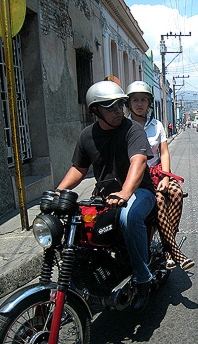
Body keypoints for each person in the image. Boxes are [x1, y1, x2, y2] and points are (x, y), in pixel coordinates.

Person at [56, 80, 156, 312]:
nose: (118, 111)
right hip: (106, 196)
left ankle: (142, 279)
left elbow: (138, 161)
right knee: (79, 226)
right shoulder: (87, 136)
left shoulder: (133, 129)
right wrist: (58, 193)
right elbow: (78, 169)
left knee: (127, 217)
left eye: (120, 105)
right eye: (110, 107)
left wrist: (126, 192)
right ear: (95, 110)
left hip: (140, 192)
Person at [125, 81, 195, 271]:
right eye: (135, 100)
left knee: (176, 194)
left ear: (149, 103)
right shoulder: (125, 126)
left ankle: (168, 245)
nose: (139, 104)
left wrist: (165, 177)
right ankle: (171, 250)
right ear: (129, 104)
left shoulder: (157, 125)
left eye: (143, 100)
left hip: (158, 173)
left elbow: (164, 153)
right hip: (139, 177)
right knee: (159, 202)